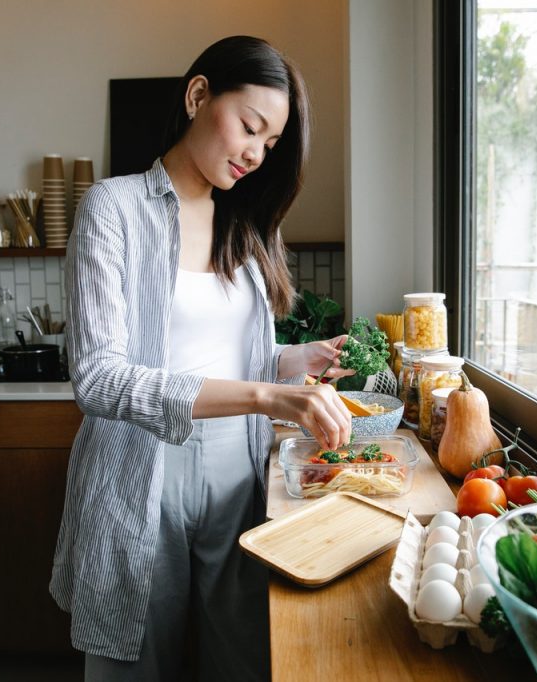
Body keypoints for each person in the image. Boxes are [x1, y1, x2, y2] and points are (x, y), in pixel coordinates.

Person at [50, 36, 353, 681]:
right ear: (198, 96)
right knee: (131, 664)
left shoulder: (246, 225)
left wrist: (297, 362)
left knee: (239, 660)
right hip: (138, 476)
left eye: (270, 145)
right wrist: (269, 397)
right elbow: (100, 378)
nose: (255, 152)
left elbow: (232, 353)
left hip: (237, 478)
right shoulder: (113, 210)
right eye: (250, 127)